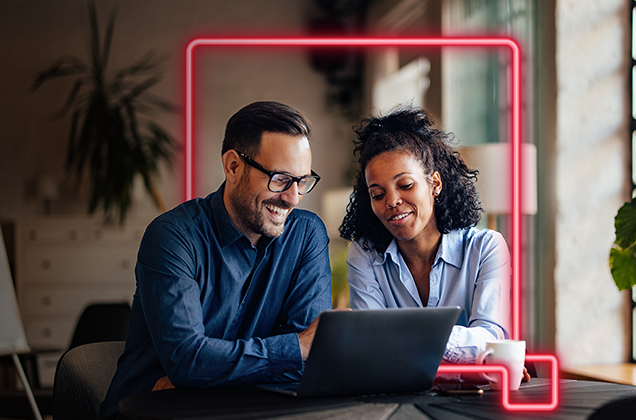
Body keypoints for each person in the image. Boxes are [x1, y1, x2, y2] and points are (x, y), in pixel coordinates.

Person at [101, 101, 332, 419]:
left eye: (302, 181)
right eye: (280, 178)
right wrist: (294, 349)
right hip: (150, 413)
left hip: (245, 412)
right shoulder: (172, 237)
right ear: (233, 166)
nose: (293, 197)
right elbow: (188, 361)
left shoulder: (306, 236)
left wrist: (203, 377)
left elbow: (306, 365)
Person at [339, 106, 513, 367]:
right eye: (377, 194)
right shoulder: (365, 255)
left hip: (470, 395)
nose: (392, 201)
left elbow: (491, 340)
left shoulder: (486, 248)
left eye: (405, 185)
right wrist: (452, 345)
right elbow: (371, 345)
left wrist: (403, 337)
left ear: (435, 183)